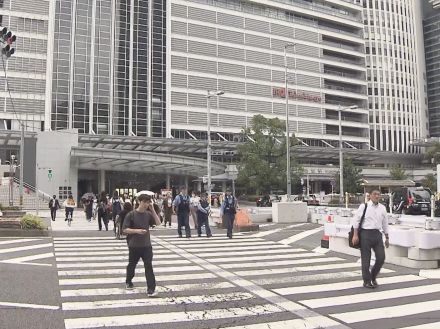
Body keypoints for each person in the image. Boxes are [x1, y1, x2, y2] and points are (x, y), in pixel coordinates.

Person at [123, 194, 161, 296]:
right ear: (139, 202)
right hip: (134, 245)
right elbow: (125, 230)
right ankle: (128, 281)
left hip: (146, 245)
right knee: (132, 265)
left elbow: (158, 223)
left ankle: (151, 289)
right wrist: (137, 231)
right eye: (144, 202)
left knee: (148, 266)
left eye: (148, 202)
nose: (146, 204)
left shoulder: (148, 214)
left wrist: (153, 210)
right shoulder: (131, 215)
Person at [352, 189, 389, 289]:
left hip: (377, 234)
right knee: (366, 259)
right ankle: (366, 281)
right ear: (370, 195)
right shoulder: (364, 206)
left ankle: (373, 276)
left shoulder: (382, 208)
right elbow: (356, 221)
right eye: (374, 194)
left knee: (381, 257)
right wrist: (355, 235)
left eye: (378, 194)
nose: (376, 196)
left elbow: (385, 223)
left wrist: (387, 237)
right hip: (365, 234)